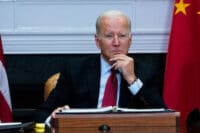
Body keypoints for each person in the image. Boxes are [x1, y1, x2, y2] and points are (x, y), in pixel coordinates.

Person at [34, 10, 166, 123]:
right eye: (109, 36)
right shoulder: (75, 70)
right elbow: (41, 113)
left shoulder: (145, 72)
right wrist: (54, 118)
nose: (116, 42)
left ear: (130, 40)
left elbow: (163, 116)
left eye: (122, 36)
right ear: (98, 42)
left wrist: (132, 79)